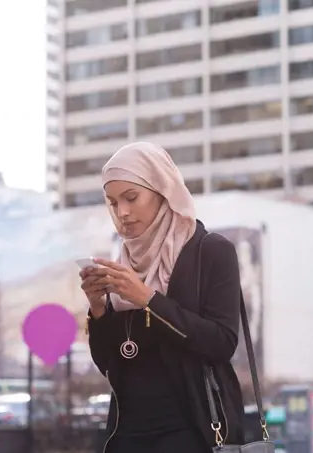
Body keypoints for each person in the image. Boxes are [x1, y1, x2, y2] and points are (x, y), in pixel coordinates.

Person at [79, 142, 245, 453]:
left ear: (162, 190)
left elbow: (222, 342)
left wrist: (148, 299)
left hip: (193, 429)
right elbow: (109, 363)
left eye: (131, 198)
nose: (123, 212)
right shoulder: (127, 261)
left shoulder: (211, 251)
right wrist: (98, 308)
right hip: (127, 432)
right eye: (113, 203)